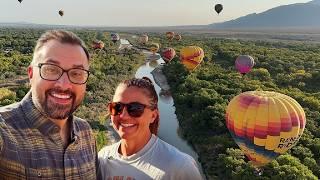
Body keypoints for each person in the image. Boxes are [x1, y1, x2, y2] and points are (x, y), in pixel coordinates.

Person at [0, 30, 97, 179]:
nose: (64, 85)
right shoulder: (5, 131)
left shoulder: (86, 133)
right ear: (31, 74)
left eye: (77, 73)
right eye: (51, 69)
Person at [98, 77, 202, 180]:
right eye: (117, 107)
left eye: (135, 108)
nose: (123, 116)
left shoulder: (180, 166)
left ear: (153, 116)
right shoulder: (103, 157)